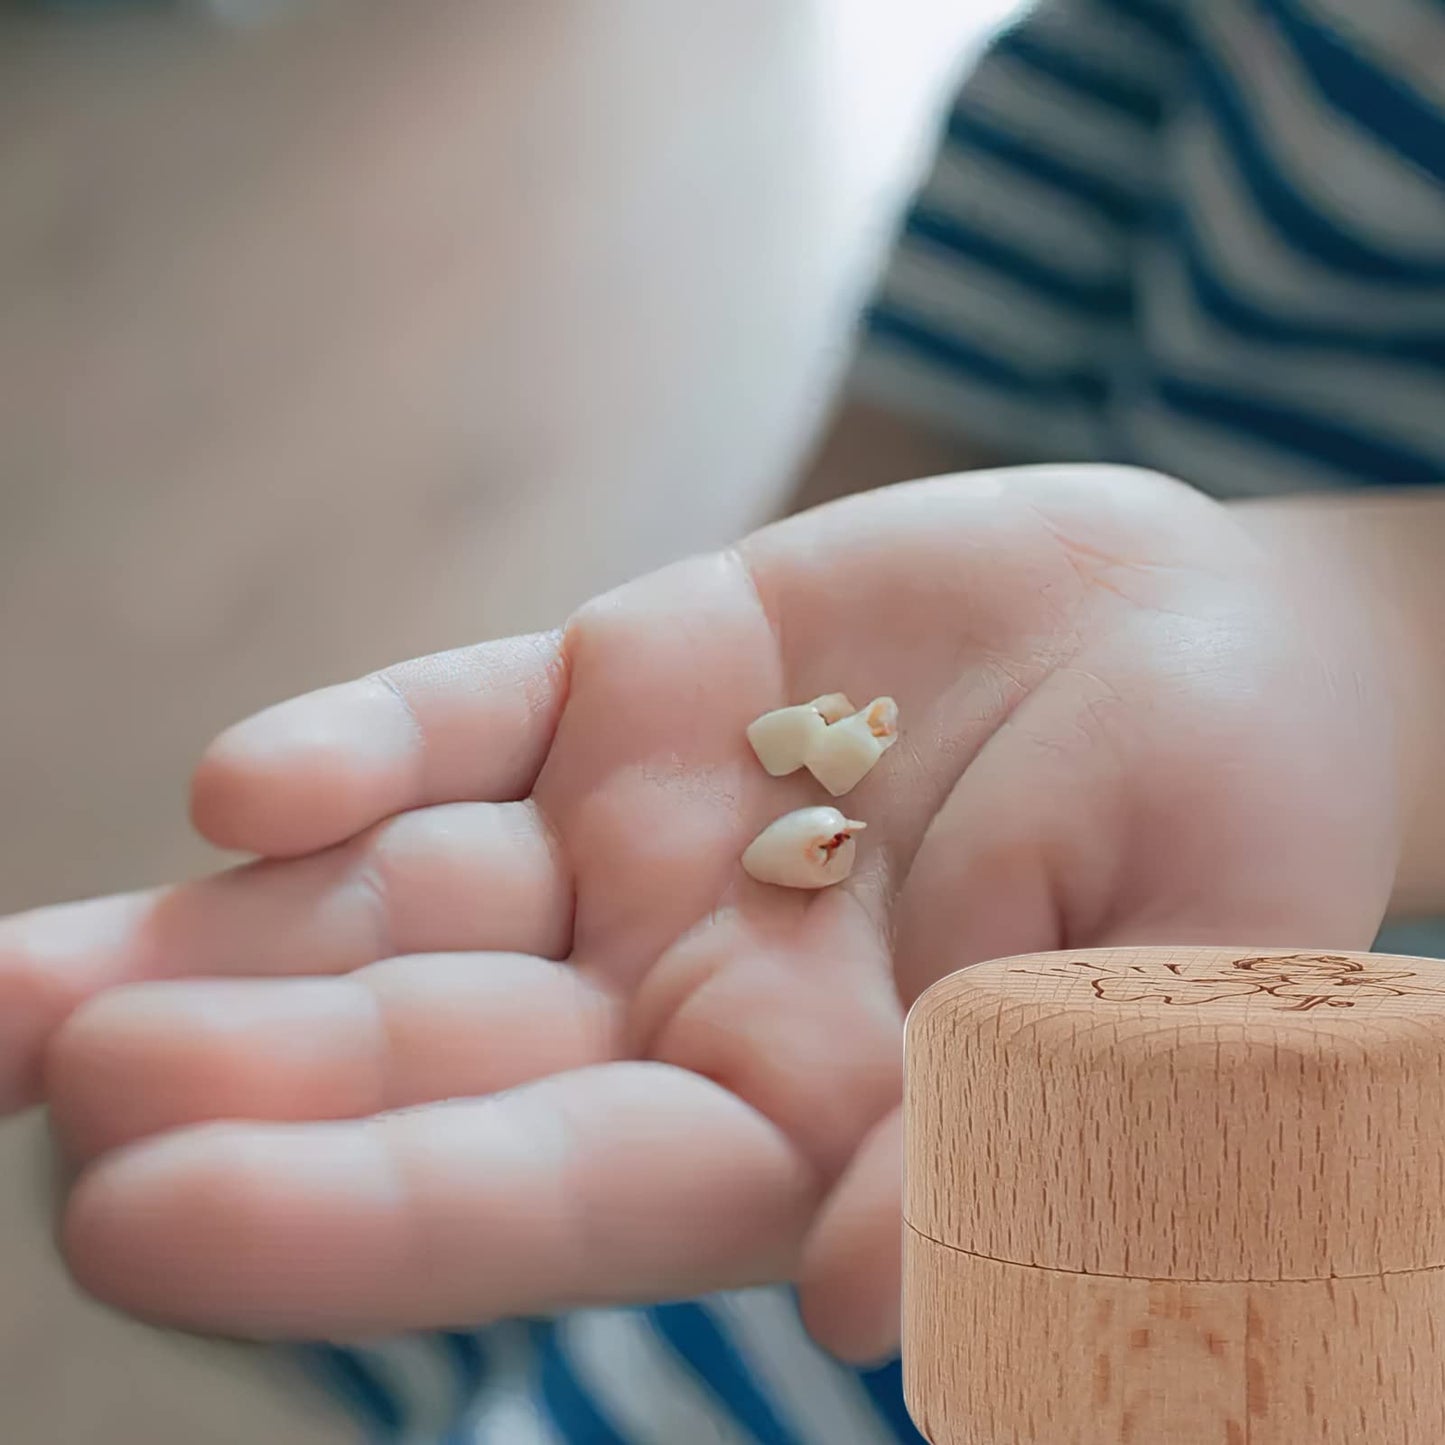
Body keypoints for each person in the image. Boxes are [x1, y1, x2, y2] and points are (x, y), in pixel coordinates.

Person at [4, 0, 1444, 1440]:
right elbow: (1088, 108)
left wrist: (1356, 646)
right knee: (455, 1209)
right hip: (981, 794)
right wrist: (873, 521)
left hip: (1312, 1133)